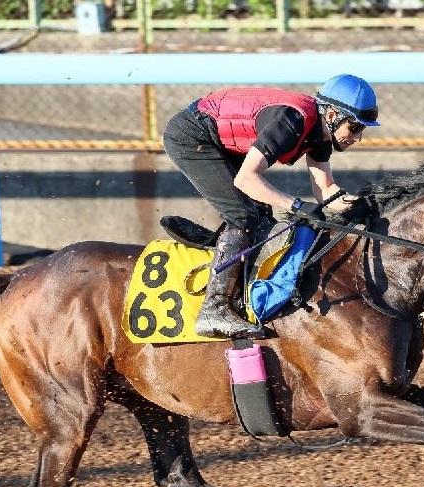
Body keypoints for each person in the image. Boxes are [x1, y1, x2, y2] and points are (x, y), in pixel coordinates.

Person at [162, 74, 381, 339]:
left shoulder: (321, 134)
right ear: (333, 114)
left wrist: (366, 206)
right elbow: (246, 179)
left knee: (261, 216)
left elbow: (325, 191)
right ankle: (214, 308)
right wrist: (296, 205)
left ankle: (232, 272)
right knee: (243, 216)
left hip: (216, 137)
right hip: (192, 134)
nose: (357, 138)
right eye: (354, 127)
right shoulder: (292, 121)